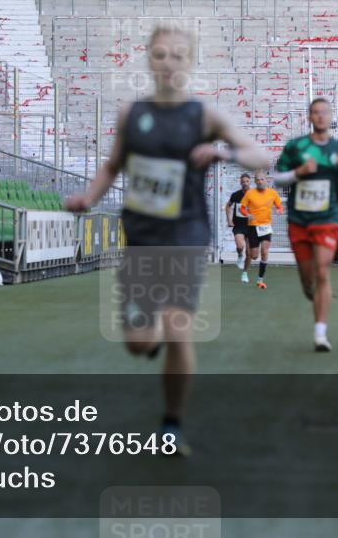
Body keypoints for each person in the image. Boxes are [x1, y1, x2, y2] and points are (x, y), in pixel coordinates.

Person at [65, 26, 269, 456]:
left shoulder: (204, 116)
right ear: (149, 61)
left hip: (187, 234)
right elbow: (113, 164)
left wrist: (225, 153)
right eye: (160, 55)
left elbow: (260, 155)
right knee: (139, 344)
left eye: (178, 55)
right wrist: (89, 196)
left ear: (189, 62)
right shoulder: (132, 114)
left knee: (180, 329)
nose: (169, 63)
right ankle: (150, 335)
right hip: (142, 235)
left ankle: (172, 424)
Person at [274, 97, 338, 352]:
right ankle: (308, 288)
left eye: (324, 112)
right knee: (308, 278)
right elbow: (278, 179)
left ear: (330, 117)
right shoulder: (296, 147)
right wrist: (299, 173)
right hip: (299, 220)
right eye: (315, 112)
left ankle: (320, 333)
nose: (320, 117)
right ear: (309, 117)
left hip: (327, 218)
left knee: (322, 271)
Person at [238, 170, 283, 289]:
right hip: (253, 227)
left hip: (266, 227)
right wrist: (247, 214)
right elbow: (241, 208)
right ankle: (246, 265)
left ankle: (260, 280)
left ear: (266, 180)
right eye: (257, 179)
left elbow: (279, 206)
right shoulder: (250, 193)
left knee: (265, 251)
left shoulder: (272, 193)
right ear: (255, 181)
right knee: (254, 256)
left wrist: (279, 211)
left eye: (261, 179)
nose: (259, 181)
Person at [224, 173, 252, 283]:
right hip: (239, 226)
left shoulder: (255, 195)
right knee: (240, 246)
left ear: (250, 182)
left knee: (249, 253)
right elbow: (228, 205)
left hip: (251, 226)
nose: (245, 183)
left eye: (247, 181)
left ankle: (245, 273)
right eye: (243, 181)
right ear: (240, 183)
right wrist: (229, 220)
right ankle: (240, 254)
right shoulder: (236, 195)